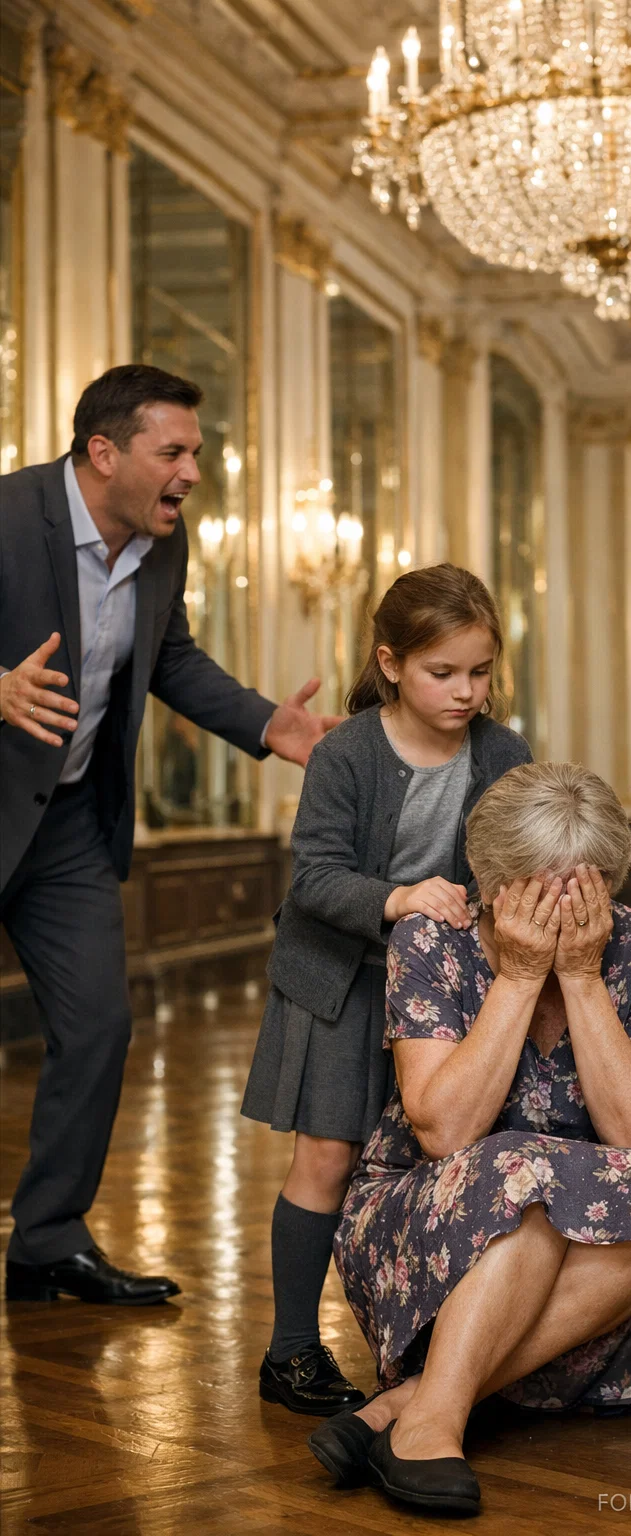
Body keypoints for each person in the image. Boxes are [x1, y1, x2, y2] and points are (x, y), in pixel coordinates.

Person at [308, 762, 631, 1517]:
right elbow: (445, 1132)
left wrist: (581, 978)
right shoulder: (431, 941)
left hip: (576, 1258)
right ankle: (431, 1424)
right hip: (420, 1221)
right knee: (526, 1177)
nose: (561, 912)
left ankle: (416, 1407)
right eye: (539, 893)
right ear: (489, 881)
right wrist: (517, 979)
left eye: (584, 892)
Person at [0, 364, 343, 1307]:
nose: (192, 472)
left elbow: (171, 660)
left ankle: (46, 1240)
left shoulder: (162, 544)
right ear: (104, 453)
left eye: (196, 451)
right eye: (174, 452)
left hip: (68, 823)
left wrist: (269, 725)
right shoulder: (8, 516)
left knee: (98, 1025)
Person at [241, 564, 532, 1417]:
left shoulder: (504, 753)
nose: (466, 691)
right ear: (392, 663)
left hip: (443, 991)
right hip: (339, 984)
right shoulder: (345, 753)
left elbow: (512, 859)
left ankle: (442, 1346)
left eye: (480, 672)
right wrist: (398, 898)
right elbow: (315, 879)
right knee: (328, 1159)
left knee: (444, 1157)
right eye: (443, 673)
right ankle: (291, 1351)